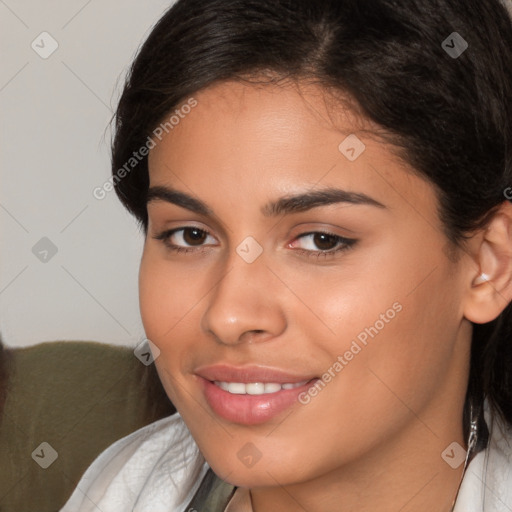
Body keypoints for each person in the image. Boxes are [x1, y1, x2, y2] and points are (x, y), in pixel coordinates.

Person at [61, 0, 512, 510]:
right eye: (190, 235)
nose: (228, 316)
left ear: (489, 264)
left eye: (322, 240)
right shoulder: (120, 488)